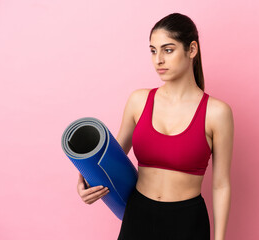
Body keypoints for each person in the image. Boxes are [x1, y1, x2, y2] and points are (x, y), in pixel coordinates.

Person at [76, 12, 234, 240]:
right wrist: (85, 183)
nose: (158, 59)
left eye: (168, 50)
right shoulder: (138, 101)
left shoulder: (217, 112)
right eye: (153, 50)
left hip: (187, 223)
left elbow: (221, 185)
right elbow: (109, 161)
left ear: (192, 50)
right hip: (137, 216)